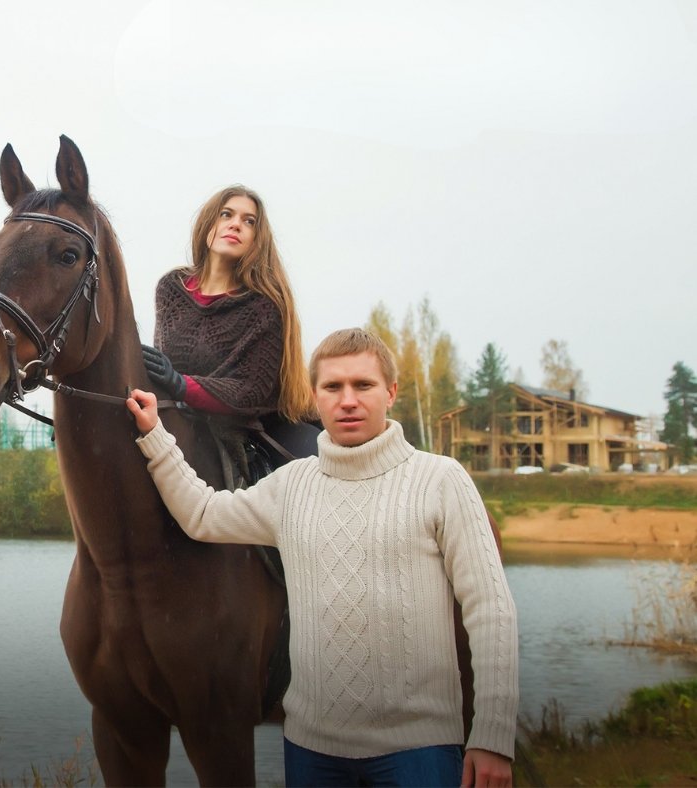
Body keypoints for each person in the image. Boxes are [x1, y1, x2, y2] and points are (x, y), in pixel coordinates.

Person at [126, 328, 518, 788]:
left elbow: (490, 609)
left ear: (391, 392)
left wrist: (492, 737)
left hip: (420, 752)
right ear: (316, 397)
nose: (348, 400)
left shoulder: (442, 481)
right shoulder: (291, 485)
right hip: (313, 754)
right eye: (333, 387)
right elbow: (203, 514)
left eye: (363, 385)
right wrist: (155, 435)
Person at [142, 185, 318, 461]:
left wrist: (181, 384)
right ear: (208, 224)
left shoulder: (265, 304)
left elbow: (251, 390)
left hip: (257, 426)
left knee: (313, 471)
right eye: (226, 214)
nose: (236, 224)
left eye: (249, 221)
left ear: (257, 239)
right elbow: (165, 362)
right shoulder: (171, 288)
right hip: (177, 416)